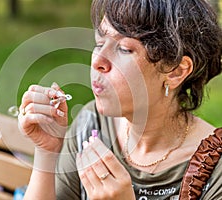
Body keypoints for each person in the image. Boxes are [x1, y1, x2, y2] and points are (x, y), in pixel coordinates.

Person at [18, 0, 222, 199]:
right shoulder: (92, 125)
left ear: (176, 71)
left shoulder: (214, 169)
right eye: (99, 43)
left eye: (124, 49)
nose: (97, 61)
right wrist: (46, 153)